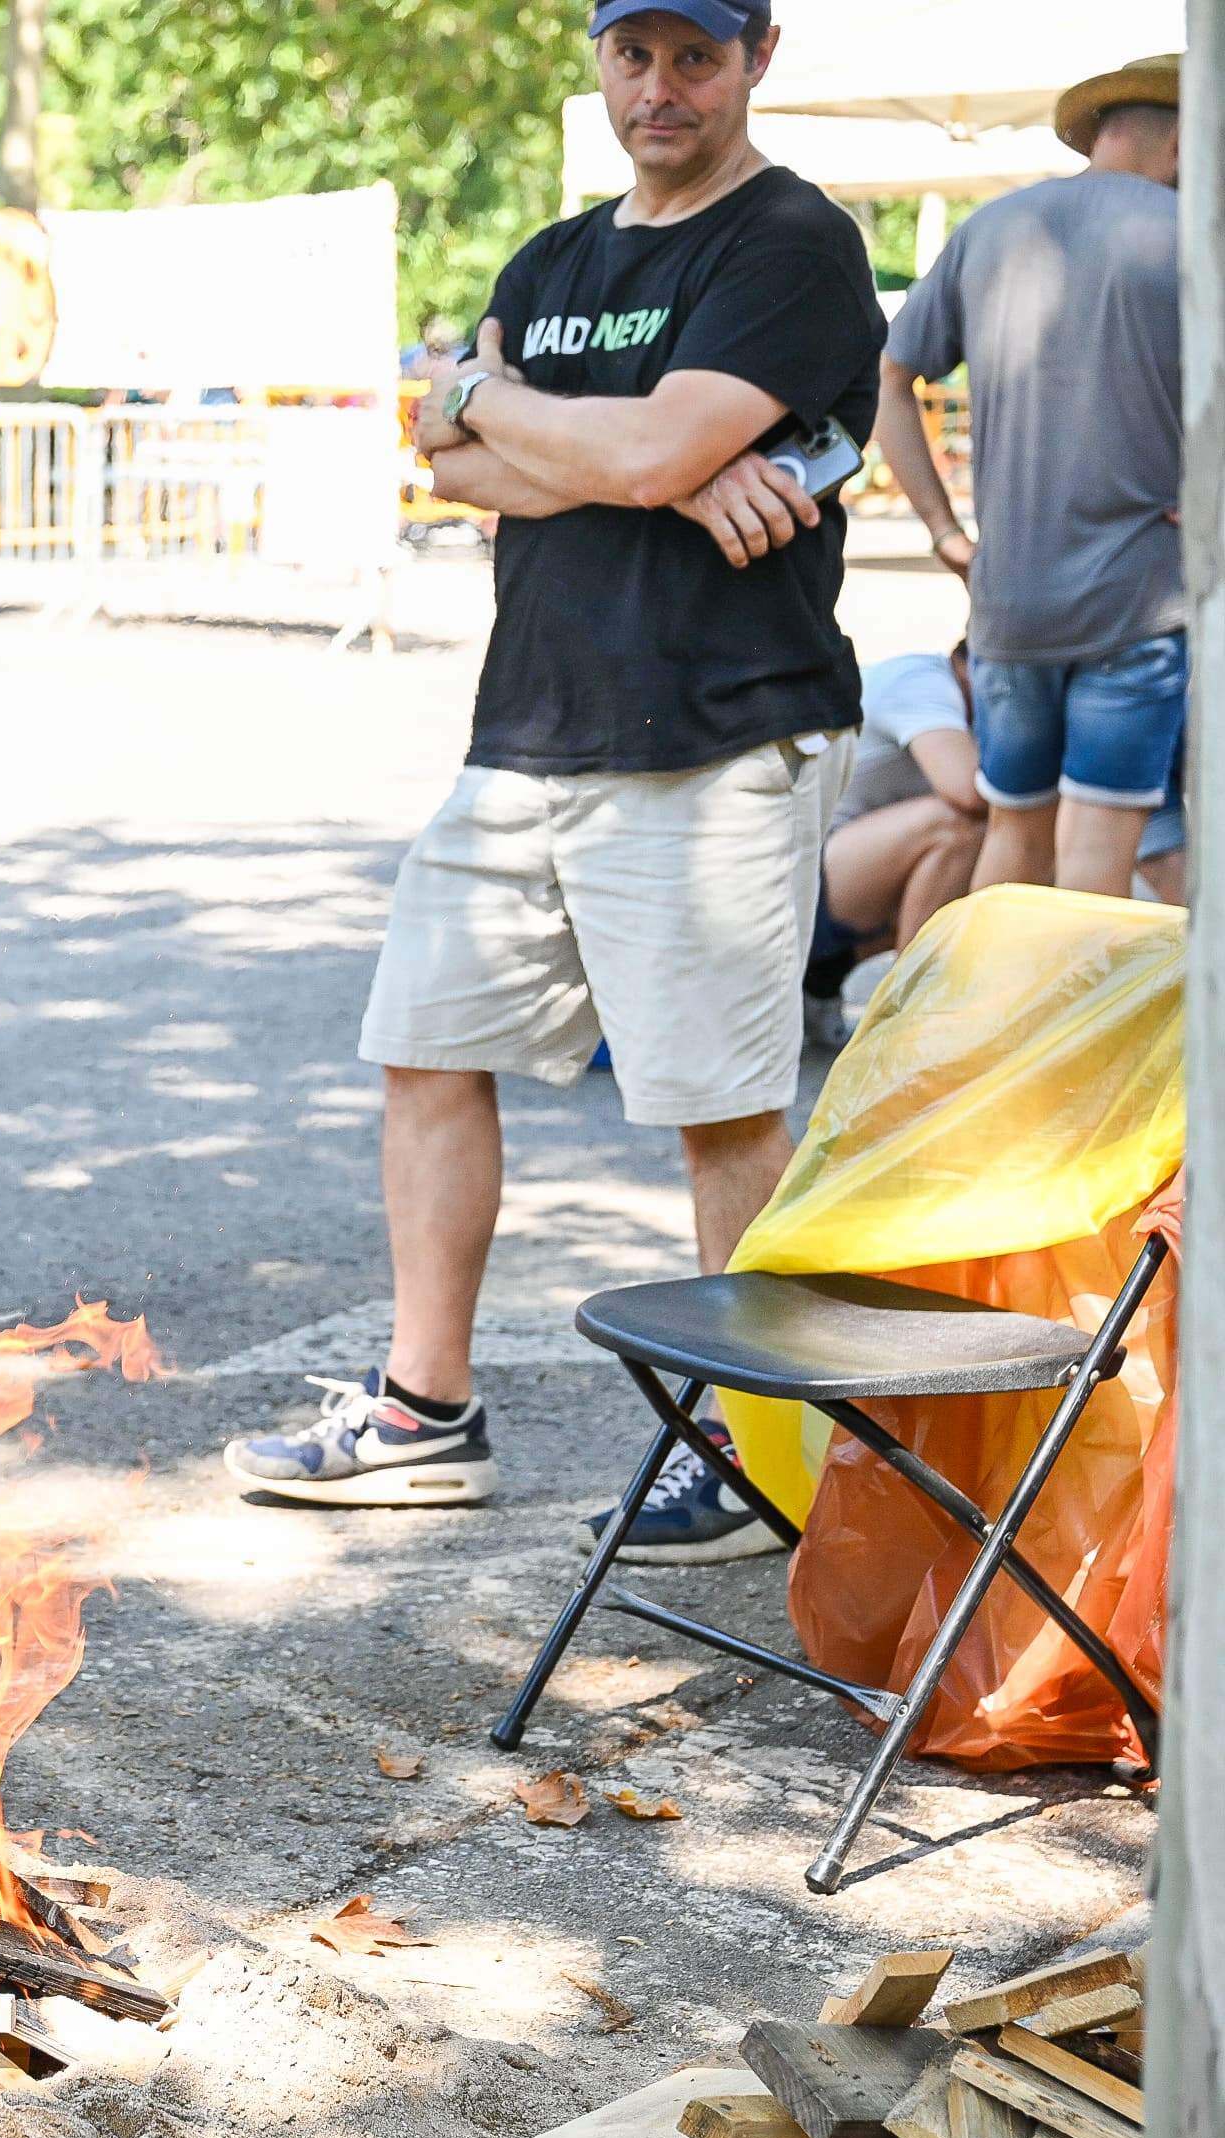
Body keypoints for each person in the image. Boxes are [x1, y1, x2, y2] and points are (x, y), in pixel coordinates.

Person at [225, 0, 883, 1565]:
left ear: (758, 57)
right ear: (597, 59)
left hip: (720, 730)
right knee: (424, 1048)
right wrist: (654, 466)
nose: (661, 89)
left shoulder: (796, 244)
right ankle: (423, 1415)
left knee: (720, 1112)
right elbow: (452, 465)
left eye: (696, 57)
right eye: (632, 55)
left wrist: (518, 411)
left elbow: (579, 445)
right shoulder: (549, 260)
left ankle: (751, 1453)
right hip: (526, 725)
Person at [873, 55, 1185, 903]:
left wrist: (944, 532)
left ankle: (987, 997)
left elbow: (889, 379)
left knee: (1013, 837)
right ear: (1185, 143)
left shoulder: (991, 228)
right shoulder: (1196, 236)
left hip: (1008, 604)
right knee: (1096, 853)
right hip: (1138, 602)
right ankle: (1074, 1003)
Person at [802, 640, 983, 1050]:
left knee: (1021, 845)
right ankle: (907, 1022)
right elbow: (969, 793)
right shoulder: (921, 681)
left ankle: (820, 983)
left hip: (834, 885)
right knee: (957, 827)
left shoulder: (972, 702)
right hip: (796, 884)